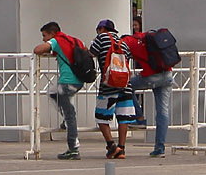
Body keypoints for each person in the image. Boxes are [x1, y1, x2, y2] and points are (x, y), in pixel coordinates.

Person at [124, 23, 176, 158]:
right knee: (163, 112)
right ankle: (160, 148)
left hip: (151, 76)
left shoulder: (127, 42)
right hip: (167, 75)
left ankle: (139, 116)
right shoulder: (148, 37)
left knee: (126, 85)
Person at [34, 21, 84, 160]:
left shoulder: (57, 41)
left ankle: (73, 149)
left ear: (52, 33)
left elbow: (37, 50)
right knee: (51, 92)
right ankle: (66, 119)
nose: (44, 39)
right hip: (79, 80)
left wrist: (49, 46)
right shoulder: (76, 40)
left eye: (44, 36)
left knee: (70, 116)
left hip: (67, 82)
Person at [90, 19, 135, 159]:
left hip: (109, 85)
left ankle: (111, 146)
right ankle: (121, 149)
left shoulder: (101, 38)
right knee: (123, 118)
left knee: (101, 117)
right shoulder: (124, 43)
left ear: (101, 29)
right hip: (125, 85)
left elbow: (91, 53)